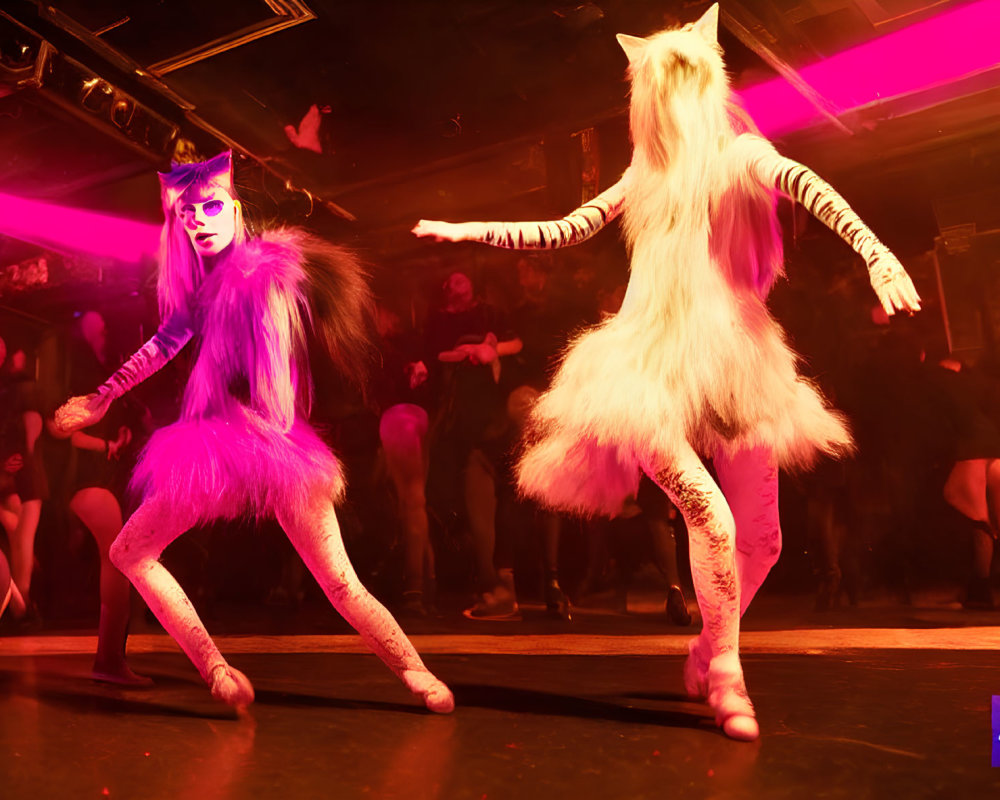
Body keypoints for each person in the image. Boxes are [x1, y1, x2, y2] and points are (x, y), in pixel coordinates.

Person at [414, 4, 919, 740]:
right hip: (643, 373)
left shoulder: (739, 158)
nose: (672, 99)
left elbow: (811, 186)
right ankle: (727, 677)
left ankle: (710, 646)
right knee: (710, 520)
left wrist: (877, 253)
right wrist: (470, 230)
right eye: (659, 87)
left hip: (734, 369)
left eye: (685, 82)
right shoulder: (642, 178)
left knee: (763, 543)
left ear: (707, 88)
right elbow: (568, 226)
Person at [49, 151, 452, 712]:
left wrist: (268, 404)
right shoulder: (204, 291)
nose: (199, 222)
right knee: (131, 552)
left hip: (267, 445)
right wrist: (104, 396)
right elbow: (163, 345)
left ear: (237, 210)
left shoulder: (265, 272)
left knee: (338, 583)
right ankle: (219, 672)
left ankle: (414, 673)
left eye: (211, 208)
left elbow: (274, 358)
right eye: (188, 216)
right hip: (222, 446)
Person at [47, 311, 149, 683]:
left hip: (87, 479)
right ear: (88, 332)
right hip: (80, 479)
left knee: (118, 555)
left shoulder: (90, 375)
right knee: (118, 554)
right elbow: (62, 430)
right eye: (101, 330)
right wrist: (106, 442)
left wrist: (116, 434)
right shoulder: (76, 373)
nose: (106, 335)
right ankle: (109, 660)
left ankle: (110, 658)